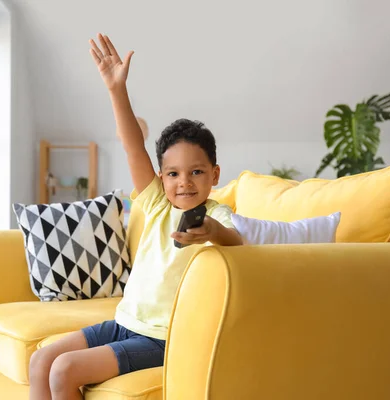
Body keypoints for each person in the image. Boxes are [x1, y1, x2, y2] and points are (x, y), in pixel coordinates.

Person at [28, 33, 243, 400]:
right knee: (42, 360)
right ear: (161, 178)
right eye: (173, 173)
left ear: (215, 174)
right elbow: (132, 146)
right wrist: (116, 89)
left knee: (64, 369)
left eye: (196, 172)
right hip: (124, 323)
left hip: (161, 338)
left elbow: (236, 240)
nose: (184, 183)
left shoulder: (218, 216)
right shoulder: (158, 204)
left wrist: (210, 231)